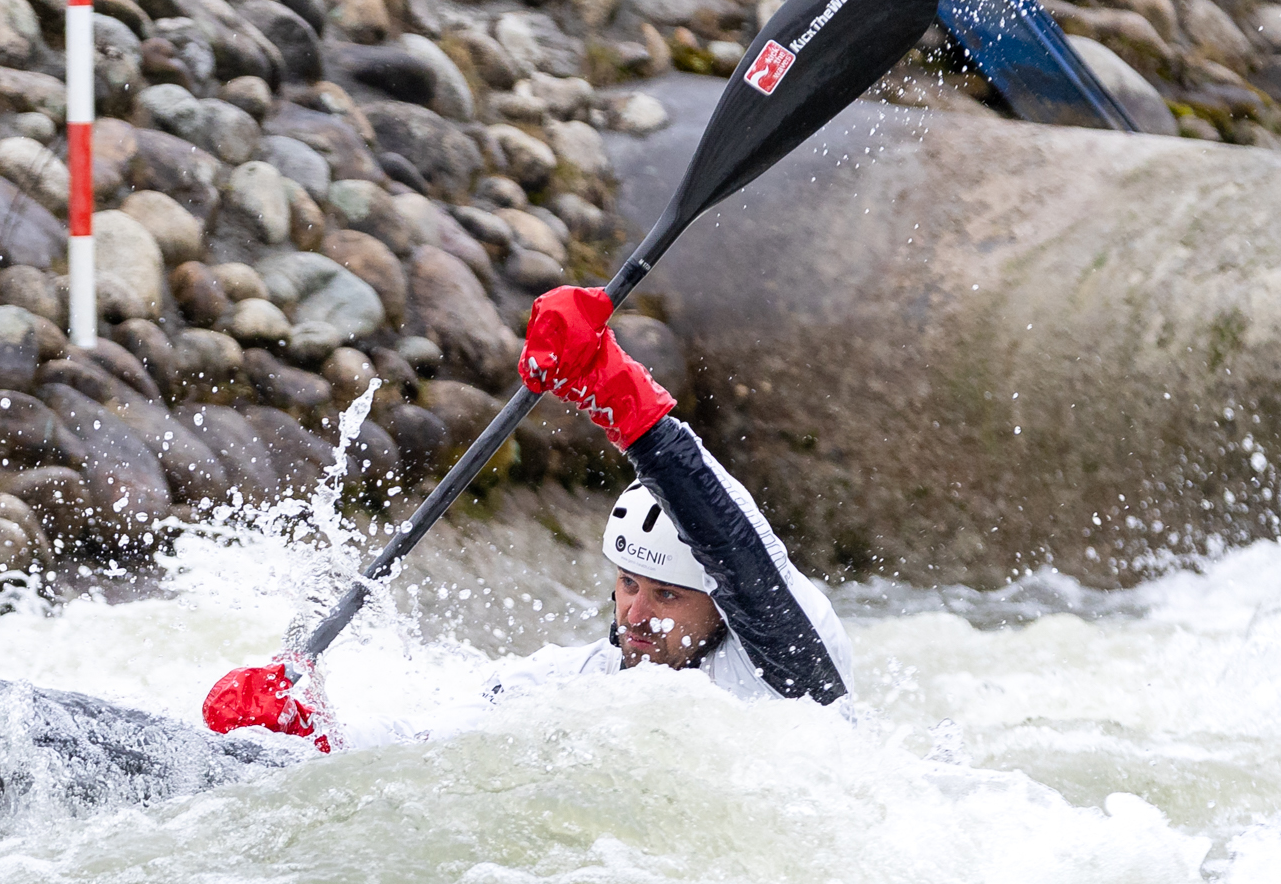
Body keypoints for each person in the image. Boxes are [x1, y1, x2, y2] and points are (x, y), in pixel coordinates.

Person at [204, 285, 853, 743]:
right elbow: (436, 728)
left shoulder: (788, 664)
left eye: (665, 595)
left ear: (720, 603)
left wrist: (617, 392)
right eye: (628, 584)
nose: (634, 614)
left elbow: (738, 548)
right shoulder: (591, 677)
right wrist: (316, 736)